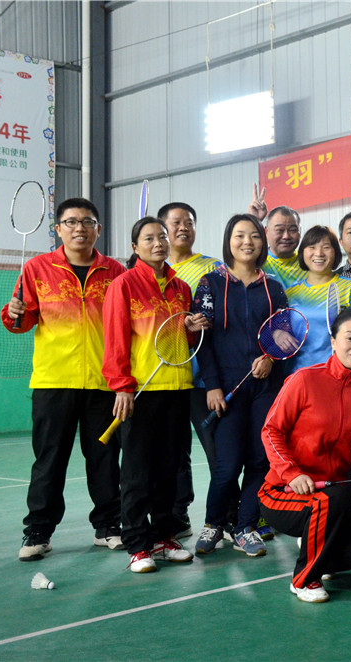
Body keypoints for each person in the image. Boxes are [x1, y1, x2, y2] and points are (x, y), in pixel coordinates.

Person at [2, 198, 126, 561]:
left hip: (104, 384)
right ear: (58, 229)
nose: (79, 228)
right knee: (49, 460)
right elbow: (21, 323)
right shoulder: (37, 268)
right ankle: (38, 531)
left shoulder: (116, 272)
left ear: (98, 229)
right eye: (71, 222)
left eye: (87, 222)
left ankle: (108, 526)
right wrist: (13, 313)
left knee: (104, 458)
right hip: (53, 381)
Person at [102, 216, 209, 573]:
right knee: (137, 472)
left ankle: (164, 537)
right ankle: (137, 544)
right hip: (141, 391)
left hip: (177, 388)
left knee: (170, 468)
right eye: (149, 238)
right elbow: (115, 338)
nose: (158, 243)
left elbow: (182, 340)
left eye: (162, 237)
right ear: (135, 247)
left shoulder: (180, 287)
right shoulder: (123, 285)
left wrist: (190, 327)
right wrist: (121, 385)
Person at [258, 308, 351, 603]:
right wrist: (291, 473)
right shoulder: (304, 380)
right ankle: (303, 580)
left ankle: (316, 545)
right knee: (328, 501)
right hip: (282, 493)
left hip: (331, 496)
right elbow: (271, 430)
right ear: (333, 341)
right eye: (350, 338)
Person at [192, 214, 289, 558]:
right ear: (228, 241)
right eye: (239, 235)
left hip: (266, 387)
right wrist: (213, 385)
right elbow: (202, 339)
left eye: (254, 236)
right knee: (227, 464)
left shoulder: (274, 287)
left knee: (260, 461)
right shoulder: (210, 284)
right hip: (226, 388)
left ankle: (244, 527)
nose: (247, 242)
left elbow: (284, 335)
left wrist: (272, 358)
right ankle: (213, 522)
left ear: (263, 243)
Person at [159, 201, 222, 540]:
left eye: (189, 222)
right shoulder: (150, 271)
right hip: (164, 379)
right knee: (172, 451)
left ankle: (225, 515)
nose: (183, 227)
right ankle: (177, 514)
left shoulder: (212, 268)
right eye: (176, 222)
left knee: (217, 450)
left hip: (200, 378)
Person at [284, 226, 351, 373]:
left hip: (338, 373)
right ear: (302, 252)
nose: (319, 253)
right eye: (312, 247)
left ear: (335, 252)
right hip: (297, 374)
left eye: (326, 247)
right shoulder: (290, 293)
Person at [248, 185, 304, 290]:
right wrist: (254, 220)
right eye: (279, 230)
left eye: (292, 230)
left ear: (300, 232)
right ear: (266, 232)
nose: (286, 236)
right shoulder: (257, 260)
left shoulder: (309, 262)